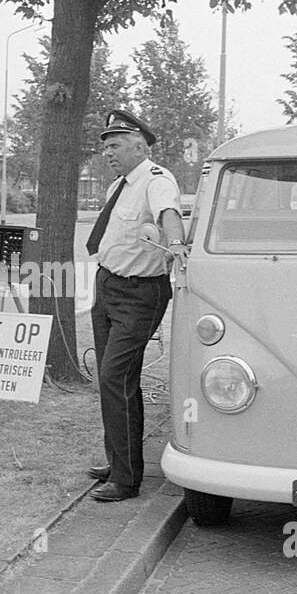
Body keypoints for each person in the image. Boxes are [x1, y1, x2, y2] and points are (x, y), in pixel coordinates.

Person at [86, 109, 188, 501]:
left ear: (139, 146)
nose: (108, 153)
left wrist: (176, 244)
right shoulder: (118, 187)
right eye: (105, 147)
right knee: (110, 379)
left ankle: (127, 481)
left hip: (140, 294)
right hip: (108, 285)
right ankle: (119, 461)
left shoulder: (157, 180)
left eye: (114, 146)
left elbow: (168, 214)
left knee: (116, 376)